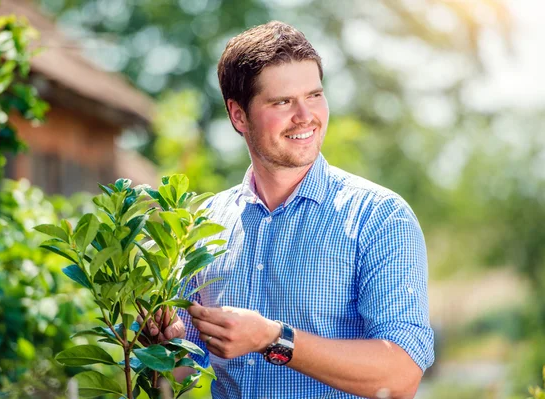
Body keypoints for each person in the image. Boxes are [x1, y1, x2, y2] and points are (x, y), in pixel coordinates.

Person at [151, 21, 434, 399]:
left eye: (315, 95)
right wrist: (160, 341)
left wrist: (274, 339)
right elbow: (180, 366)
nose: (306, 115)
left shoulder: (379, 218)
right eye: (283, 101)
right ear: (238, 116)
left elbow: (401, 375)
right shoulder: (203, 224)